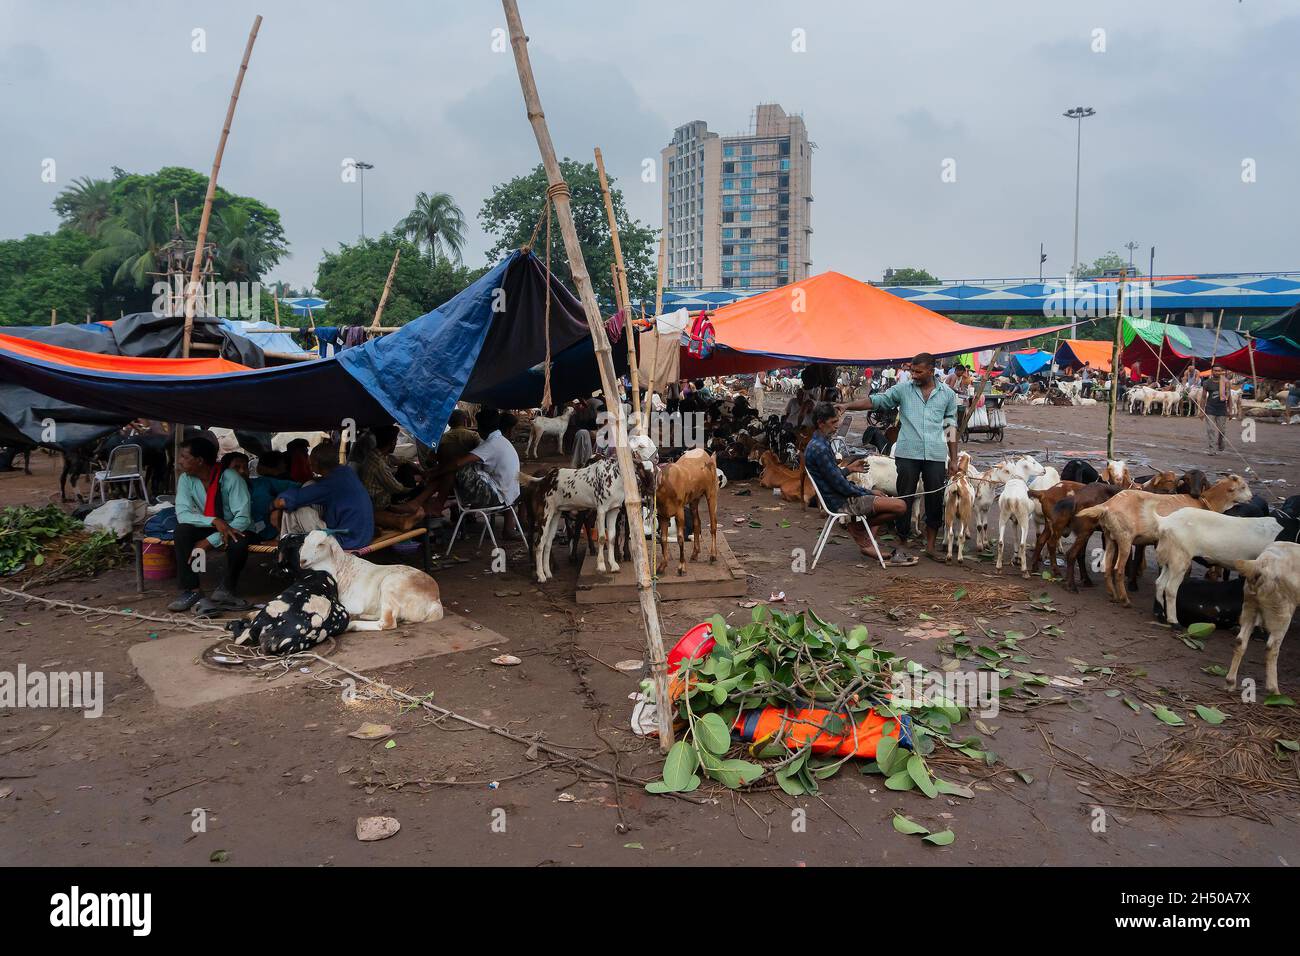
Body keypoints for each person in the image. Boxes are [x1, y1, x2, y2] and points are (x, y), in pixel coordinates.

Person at [840, 352, 959, 561]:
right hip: (907, 453)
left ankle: (930, 545)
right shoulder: (903, 390)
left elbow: (951, 427)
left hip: (935, 454)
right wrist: (847, 405)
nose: (913, 375)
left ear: (931, 371)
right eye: (912, 371)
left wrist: (954, 459)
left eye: (918, 371)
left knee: (934, 498)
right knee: (905, 496)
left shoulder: (947, 394)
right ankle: (902, 541)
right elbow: (877, 401)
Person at [804, 403, 910, 563]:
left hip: (837, 496)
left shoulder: (818, 443)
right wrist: (869, 492)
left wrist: (850, 469)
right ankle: (859, 528)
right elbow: (842, 486)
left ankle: (861, 531)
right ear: (820, 423)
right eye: (833, 422)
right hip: (841, 501)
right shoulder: (820, 448)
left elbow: (832, 477)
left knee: (887, 501)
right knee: (900, 506)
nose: (836, 426)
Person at [169, 436, 253, 612]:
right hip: (210, 523)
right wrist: (213, 521)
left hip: (235, 526)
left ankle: (226, 590)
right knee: (182, 531)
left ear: (199, 461)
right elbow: (183, 514)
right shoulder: (186, 479)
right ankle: (191, 590)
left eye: (185, 457)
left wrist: (210, 541)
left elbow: (243, 518)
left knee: (239, 542)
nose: (180, 461)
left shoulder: (231, 478)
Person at [271, 441, 374, 550]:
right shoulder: (347, 472)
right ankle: (287, 541)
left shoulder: (331, 485)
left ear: (315, 464)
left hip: (346, 541)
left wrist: (273, 504)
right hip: (362, 537)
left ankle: (285, 545)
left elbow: (290, 500)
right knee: (309, 485)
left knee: (295, 511)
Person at [359, 424, 434, 531]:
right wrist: (416, 488)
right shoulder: (379, 464)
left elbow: (400, 460)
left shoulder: (375, 454)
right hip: (380, 503)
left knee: (406, 467)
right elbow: (397, 488)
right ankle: (412, 505)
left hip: (379, 496)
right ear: (392, 443)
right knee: (424, 488)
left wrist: (420, 471)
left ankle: (413, 503)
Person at [247, 450, 299, 541]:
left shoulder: (267, 482)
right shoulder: (257, 482)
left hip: (271, 531)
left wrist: (278, 507)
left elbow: (299, 489)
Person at [1202, 364, 1230, 455]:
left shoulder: (1226, 382)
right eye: (1215, 370)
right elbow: (1203, 397)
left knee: (1222, 430)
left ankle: (1220, 442)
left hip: (1222, 409)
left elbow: (1229, 397)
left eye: (1219, 371)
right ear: (1212, 371)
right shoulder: (1207, 383)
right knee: (1210, 429)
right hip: (1210, 408)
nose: (1217, 372)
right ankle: (1212, 449)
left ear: (1221, 372)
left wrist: (1230, 410)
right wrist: (1201, 410)